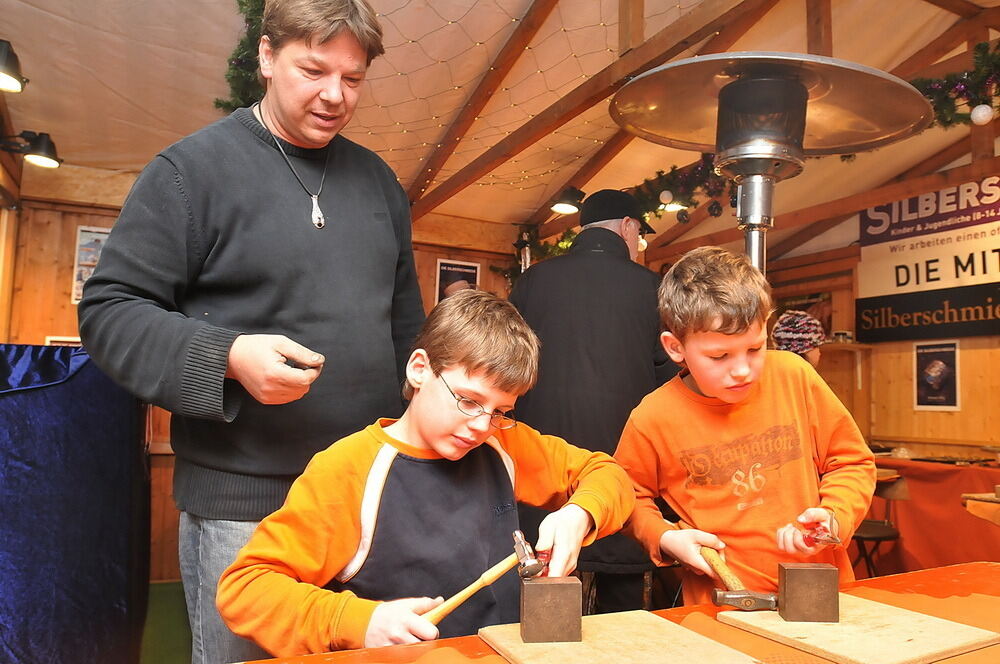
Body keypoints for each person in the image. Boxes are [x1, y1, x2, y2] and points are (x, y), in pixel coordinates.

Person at [77, 1, 424, 662]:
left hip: (368, 493)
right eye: (314, 70)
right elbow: (109, 311)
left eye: (353, 80)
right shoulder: (190, 173)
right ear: (266, 57)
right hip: (246, 507)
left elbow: (407, 326)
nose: (334, 95)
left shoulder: (379, 182)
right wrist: (228, 356)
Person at [216, 290, 634, 656]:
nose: (481, 425)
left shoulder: (503, 443)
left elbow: (607, 473)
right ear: (419, 369)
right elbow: (247, 590)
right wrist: (359, 621)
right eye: (469, 400)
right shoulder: (348, 468)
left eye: (501, 411)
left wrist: (580, 513)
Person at [614, 246, 876, 606]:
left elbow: (851, 462)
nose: (742, 369)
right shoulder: (652, 417)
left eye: (755, 348)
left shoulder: (795, 375)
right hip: (723, 603)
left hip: (824, 595)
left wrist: (834, 517)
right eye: (719, 356)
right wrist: (664, 537)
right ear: (676, 348)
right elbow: (627, 497)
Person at [509, 189, 676, 613]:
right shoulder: (652, 288)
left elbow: (505, 364)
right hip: (623, 465)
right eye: (639, 235)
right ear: (628, 227)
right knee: (620, 599)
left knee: (544, 586)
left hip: (541, 465)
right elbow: (669, 380)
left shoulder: (533, 282)